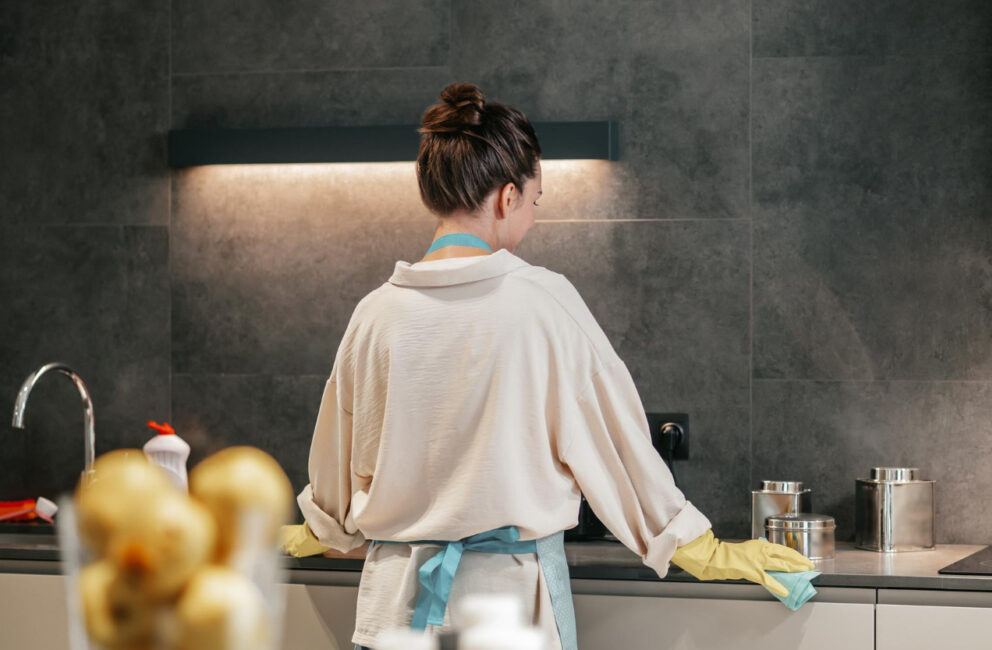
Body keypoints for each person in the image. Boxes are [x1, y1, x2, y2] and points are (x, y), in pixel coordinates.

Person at [279, 82, 814, 650]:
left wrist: (322, 527)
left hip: (393, 615)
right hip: (510, 615)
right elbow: (618, 446)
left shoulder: (375, 314)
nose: (532, 217)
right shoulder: (544, 301)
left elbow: (338, 468)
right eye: (535, 202)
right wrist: (696, 546)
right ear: (507, 197)